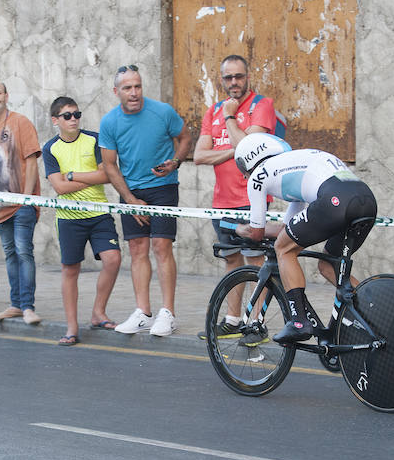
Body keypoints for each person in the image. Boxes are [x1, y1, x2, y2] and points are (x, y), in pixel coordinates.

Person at [232, 133, 377, 345]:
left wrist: (238, 229)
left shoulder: (259, 175)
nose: (245, 176)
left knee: (284, 249)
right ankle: (377, 310)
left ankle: (299, 322)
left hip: (334, 200)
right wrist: (272, 232)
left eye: (242, 169)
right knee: (328, 265)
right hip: (364, 199)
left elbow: (257, 233)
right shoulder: (293, 162)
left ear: (251, 159)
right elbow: (287, 227)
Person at [99, 64, 192, 336]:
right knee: (138, 250)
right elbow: (109, 165)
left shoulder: (162, 111)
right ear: (116, 92)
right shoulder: (109, 122)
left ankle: (168, 313)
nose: (134, 92)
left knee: (162, 247)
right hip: (131, 192)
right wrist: (129, 199)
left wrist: (176, 161)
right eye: (127, 88)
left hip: (163, 187)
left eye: (137, 86)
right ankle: (143, 312)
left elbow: (185, 138)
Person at [193, 55, 279, 340]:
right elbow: (199, 156)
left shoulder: (261, 105)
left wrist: (231, 117)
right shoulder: (212, 110)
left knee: (256, 264)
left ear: (248, 77)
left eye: (239, 77)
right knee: (232, 261)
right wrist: (233, 151)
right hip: (222, 202)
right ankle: (232, 320)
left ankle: (256, 324)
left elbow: (248, 146)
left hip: (251, 200)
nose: (234, 83)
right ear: (221, 80)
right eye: (228, 78)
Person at [42, 96, 121, 345]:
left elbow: (107, 175)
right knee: (70, 270)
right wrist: (89, 178)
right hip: (69, 218)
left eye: (77, 114)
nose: (74, 119)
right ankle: (72, 328)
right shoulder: (50, 148)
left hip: (99, 214)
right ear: (56, 120)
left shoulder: (95, 139)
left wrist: (73, 175)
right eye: (67, 116)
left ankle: (98, 313)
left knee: (113, 259)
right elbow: (59, 188)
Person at [0, 81, 43, 325]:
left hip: (22, 204)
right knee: (10, 255)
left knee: (24, 251)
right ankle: (16, 304)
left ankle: (28, 307)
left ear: (6, 95)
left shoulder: (20, 122)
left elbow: (32, 161)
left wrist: (26, 200)